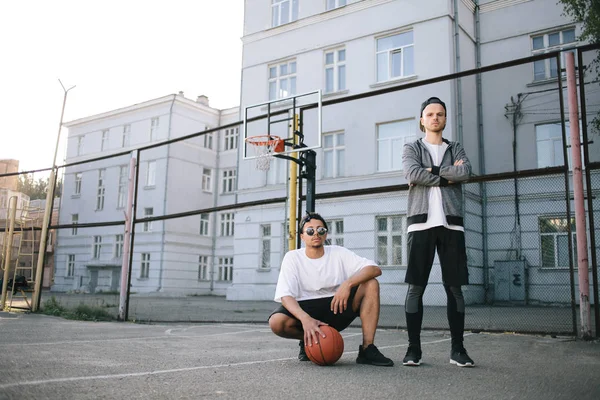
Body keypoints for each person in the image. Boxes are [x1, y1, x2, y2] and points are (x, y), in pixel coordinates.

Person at [401, 96, 474, 367]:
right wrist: (447, 176)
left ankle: (458, 350)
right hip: (420, 224)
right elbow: (412, 172)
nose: (435, 118)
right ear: (422, 120)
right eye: (430, 114)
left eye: (439, 114)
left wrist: (429, 171)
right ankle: (413, 350)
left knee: (454, 289)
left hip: (451, 224)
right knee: (416, 288)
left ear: (444, 119)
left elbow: (466, 172)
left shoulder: (456, 147)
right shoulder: (412, 147)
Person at [268, 212, 394, 367]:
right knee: (276, 322)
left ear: (325, 233)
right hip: (307, 309)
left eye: (320, 230)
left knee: (371, 283)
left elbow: (374, 269)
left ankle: (367, 349)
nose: (316, 234)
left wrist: (347, 284)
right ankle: (309, 341)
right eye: (310, 231)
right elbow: (285, 295)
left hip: (336, 307)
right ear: (302, 236)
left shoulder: (338, 252)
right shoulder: (293, 257)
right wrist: (305, 319)